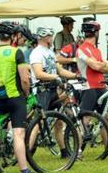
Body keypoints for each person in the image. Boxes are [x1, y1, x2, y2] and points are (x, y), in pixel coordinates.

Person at [0, 21, 37, 173]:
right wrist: (27, 93)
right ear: (14, 36)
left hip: (0, 97)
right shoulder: (17, 53)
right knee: (18, 134)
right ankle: (24, 169)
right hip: (15, 97)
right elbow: (24, 79)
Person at [30, 26, 78, 159]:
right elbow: (39, 73)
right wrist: (56, 78)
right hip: (42, 91)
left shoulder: (50, 52)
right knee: (37, 124)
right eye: (50, 37)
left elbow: (60, 70)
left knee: (59, 122)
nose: (51, 39)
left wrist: (75, 76)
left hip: (52, 90)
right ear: (44, 38)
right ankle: (26, 153)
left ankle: (64, 152)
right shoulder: (37, 53)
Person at [76, 20, 108, 114]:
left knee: (105, 118)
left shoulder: (97, 50)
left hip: (102, 86)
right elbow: (96, 66)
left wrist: (99, 65)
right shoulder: (82, 49)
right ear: (96, 33)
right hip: (89, 87)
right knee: (85, 118)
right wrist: (100, 65)